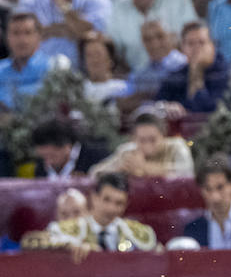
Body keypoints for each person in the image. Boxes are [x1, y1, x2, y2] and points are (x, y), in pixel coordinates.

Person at [25, 172, 161, 258]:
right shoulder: (69, 228)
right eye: (106, 199)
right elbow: (29, 242)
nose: (111, 208)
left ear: (126, 204)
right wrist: (68, 245)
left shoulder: (138, 231)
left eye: (119, 203)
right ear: (94, 197)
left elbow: (159, 253)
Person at [15, 0, 112, 64]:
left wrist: (64, 6)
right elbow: (23, 37)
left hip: (82, 73)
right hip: (38, 72)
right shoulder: (30, 0)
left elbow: (91, 37)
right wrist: (68, 29)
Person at [108, 0, 198, 71]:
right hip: (139, 78)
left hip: (180, 71)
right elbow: (115, 52)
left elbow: (194, 34)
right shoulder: (118, 5)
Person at [154, 20, 231, 116]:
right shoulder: (177, 75)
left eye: (201, 42)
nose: (196, 48)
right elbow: (157, 104)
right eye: (190, 43)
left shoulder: (227, 75)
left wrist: (196, 75)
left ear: (212, 46)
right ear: (182, 48)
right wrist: (166, 107)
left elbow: (206, 109)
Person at [90, 110, 194, 178]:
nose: (147, 146)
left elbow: (188, 173)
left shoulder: (176, 146)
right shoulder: (127, 151)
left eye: (153, 140)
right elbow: (94, 173)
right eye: (142, 140)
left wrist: (144, 167)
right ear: (133, 139)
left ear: (163, 135)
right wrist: (118, 170)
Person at [123, 19, 186, 103]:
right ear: (143, 43)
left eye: (160, 36)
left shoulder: (185, 65)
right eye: (147, 39)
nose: (154, 44)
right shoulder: (139, 75)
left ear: (171, 37)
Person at [0, 12, 50, 111]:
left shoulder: (53, 68)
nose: (22, 40)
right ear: (7, 37)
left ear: (39, 36)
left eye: (28, 33)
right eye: (16, 33)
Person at [31, 118, 109, 179]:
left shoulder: (98, 158)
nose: (48, 163)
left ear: (67, 146)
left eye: (52, 156)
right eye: (43, 157)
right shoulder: (41, 166)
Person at [78, 31, 127, 105]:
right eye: (89, 55)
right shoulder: (78, 91)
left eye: (98, 54)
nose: (94, 60)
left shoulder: (122, 89)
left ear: (110, 59)